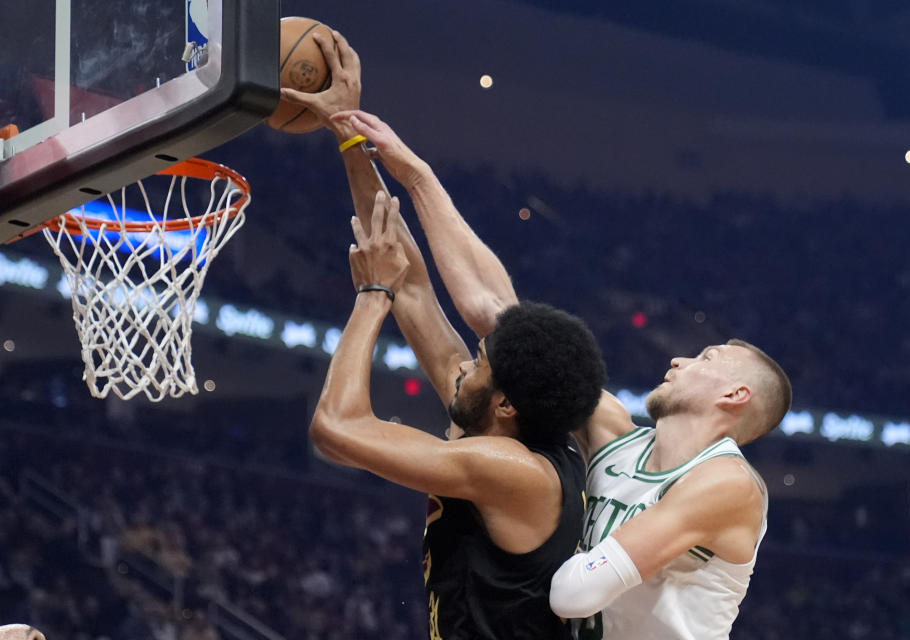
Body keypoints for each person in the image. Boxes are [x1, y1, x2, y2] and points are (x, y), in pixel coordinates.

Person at [285, 31, 790, 640]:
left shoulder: (726, 484)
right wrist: (366, 146)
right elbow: (482, 307)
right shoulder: (609, 440)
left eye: (707, 356)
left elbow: (575, 592)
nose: (681, 356)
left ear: (735, 396)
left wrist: (545, 533)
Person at [306, 133, 606, 640]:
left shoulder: (514, 471)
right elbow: (415, 289)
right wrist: (350, 138)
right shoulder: (508, 428)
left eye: (478, 363)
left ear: (507, 403)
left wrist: (371, 296)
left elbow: (336, 428)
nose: (463, 366)